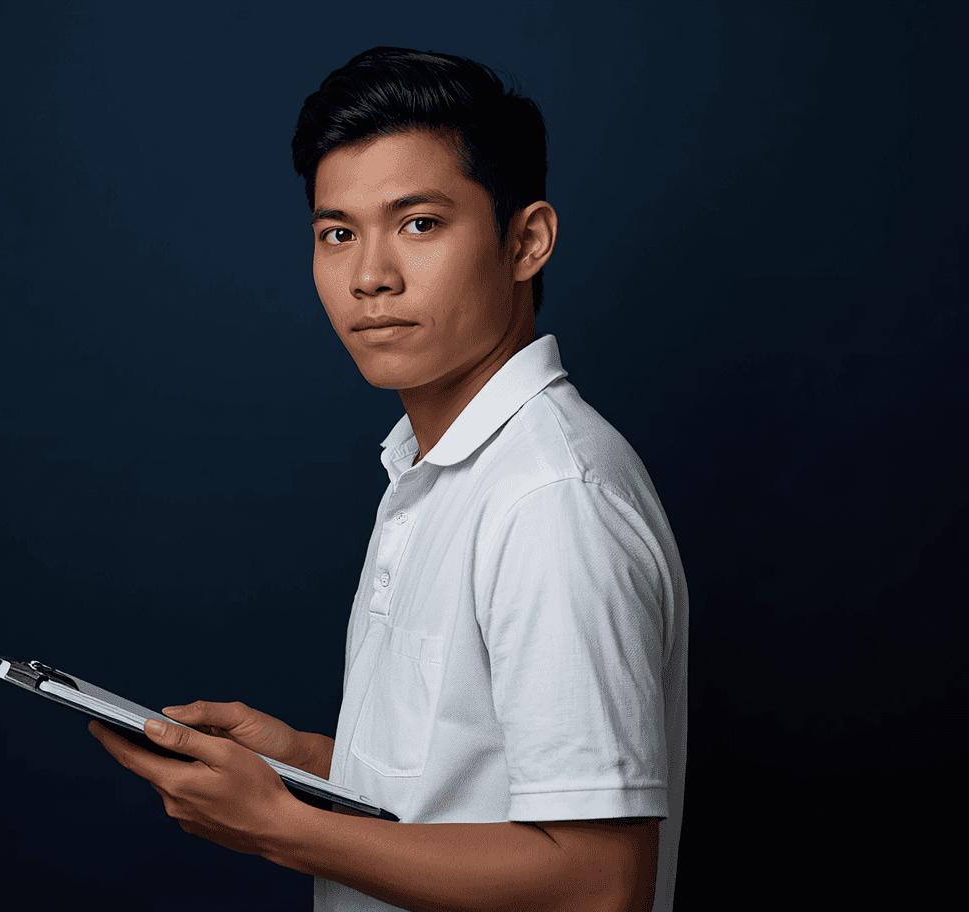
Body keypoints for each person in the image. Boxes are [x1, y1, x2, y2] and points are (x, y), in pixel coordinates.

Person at [90, 46, 687, 912]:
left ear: (526, 241)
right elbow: (467, 792)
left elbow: (597, 884)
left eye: (419, 223)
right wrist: (301, 761)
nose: (369, 276)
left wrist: (278, 826)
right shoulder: (437, 467)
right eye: (339, 233)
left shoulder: (551, 500)